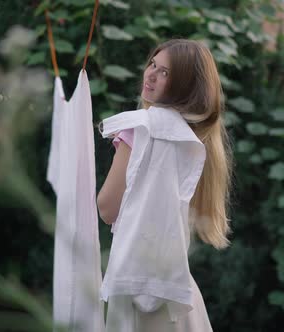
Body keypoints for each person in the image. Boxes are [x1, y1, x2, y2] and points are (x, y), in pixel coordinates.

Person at [97, 39, 232, 332]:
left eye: (165, 73)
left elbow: (107, 207)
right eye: (152, 65)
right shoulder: (193, 144)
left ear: (185, 86)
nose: (151, 74)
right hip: (177, 293)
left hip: (134, 284)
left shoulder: (140, 127)